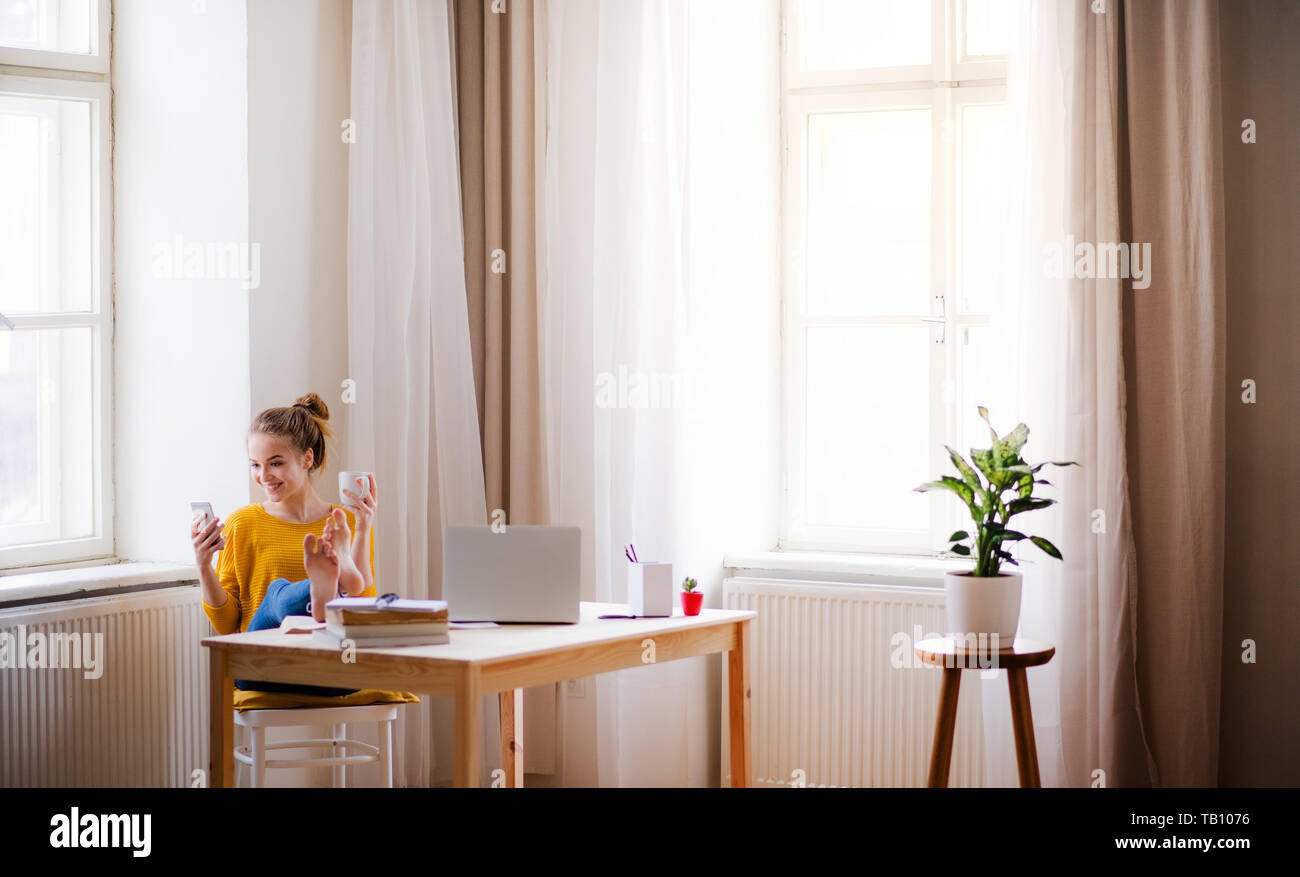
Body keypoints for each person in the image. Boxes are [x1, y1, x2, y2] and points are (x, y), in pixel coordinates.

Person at [191, 393, 414, 707]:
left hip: (332, 669)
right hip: (263, 665)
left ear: (307, 459)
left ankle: (323, 592)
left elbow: (361, 604)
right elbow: (227, 626)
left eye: (276, 463)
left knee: (343, 598)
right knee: (277, 595)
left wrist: (363, 527)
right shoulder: (242, 523)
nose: (263, 476)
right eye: (255, 465)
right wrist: (203, 566)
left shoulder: (342, 521)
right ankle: (316, 593)